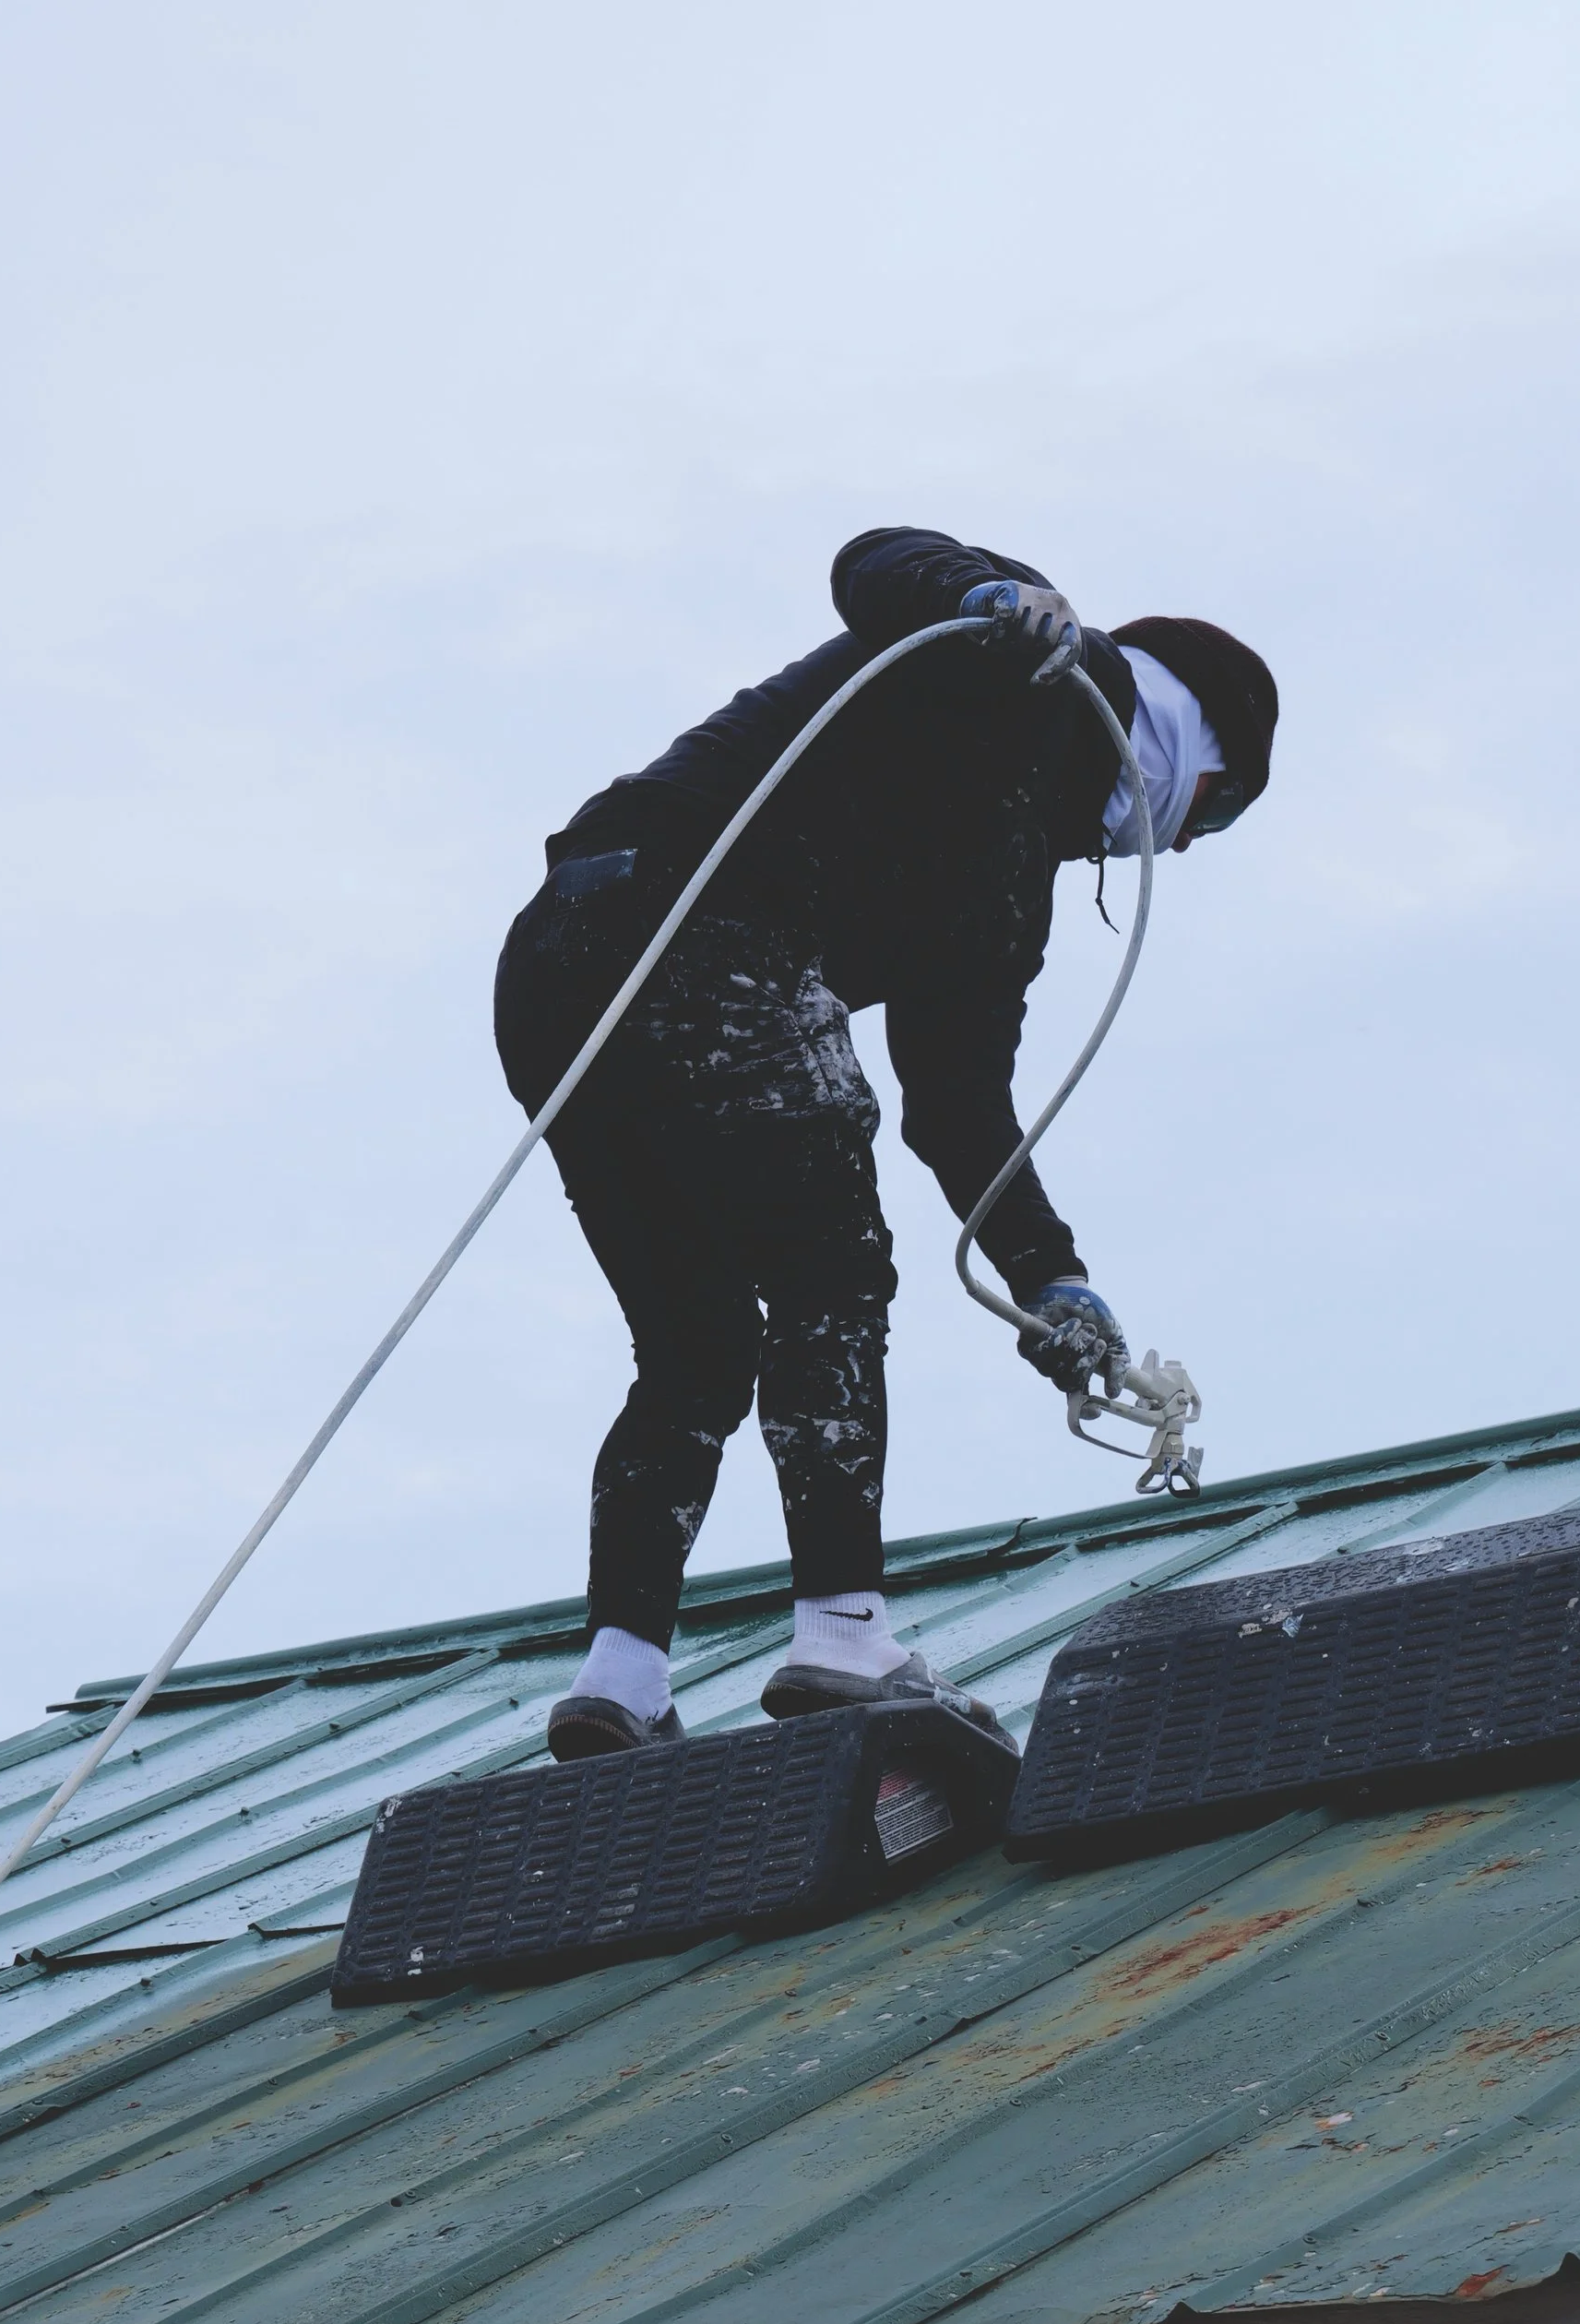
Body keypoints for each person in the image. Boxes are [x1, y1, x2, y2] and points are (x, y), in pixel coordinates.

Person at [492, 526, 1278, 1761]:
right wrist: (991, 595)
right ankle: (843, 1633)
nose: (1173, 849)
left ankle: (622, 1673)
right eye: (1210, 821)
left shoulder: (1013, 877)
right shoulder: (1032, 668)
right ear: (1200, 759)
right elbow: (875, 564)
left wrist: (1049, 1277)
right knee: (835, 1276)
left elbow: (957, 1100)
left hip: (558, 961)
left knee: (696, 1344)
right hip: (704, 937)